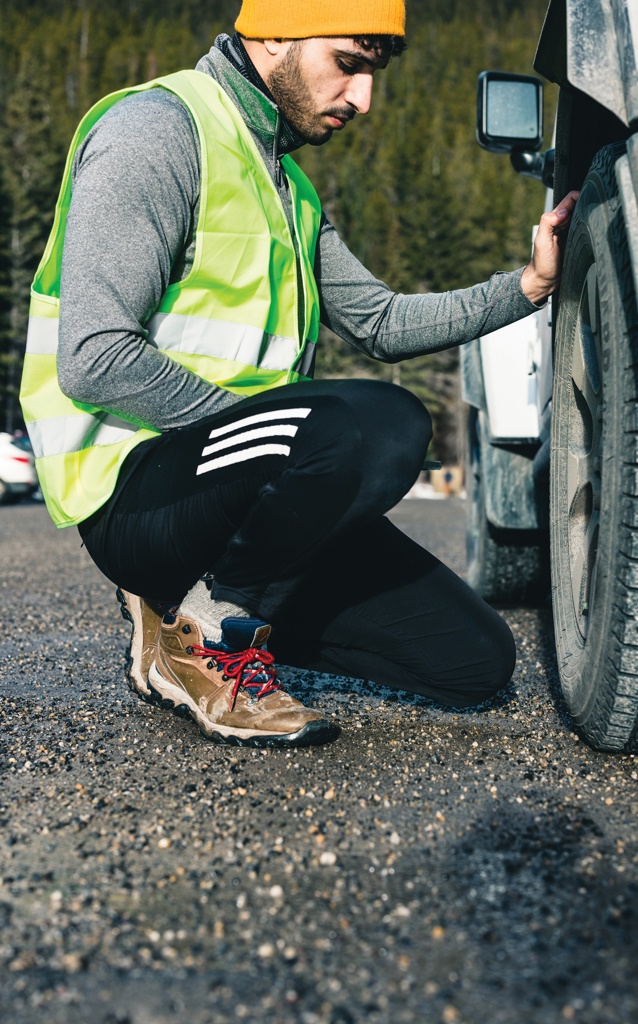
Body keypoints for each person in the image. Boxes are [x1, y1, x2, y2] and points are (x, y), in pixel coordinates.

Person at [20, 0, 578, 749]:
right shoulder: (157, 131)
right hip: (139, 499)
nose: (363, 98)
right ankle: (212, 633)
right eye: (348, 64)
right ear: (274, 33)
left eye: (373, 74)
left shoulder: (291, 190)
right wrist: (279, 445)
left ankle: (184, 615)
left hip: (249, 484)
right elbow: (94, 358)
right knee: (386, 423)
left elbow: (380, 323)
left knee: (473, 663)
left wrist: (528, 287)